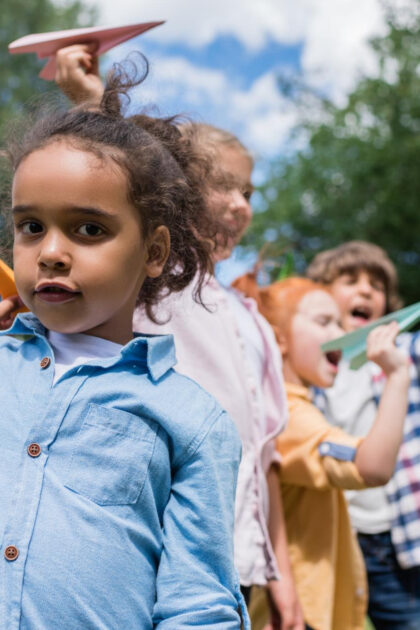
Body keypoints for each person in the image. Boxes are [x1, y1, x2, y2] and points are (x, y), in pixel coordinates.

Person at [50, 44, 305, 630]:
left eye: (250, 192)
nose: (240, 205)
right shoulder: (158, 282)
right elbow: (119, 184)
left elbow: (263, 458)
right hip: (151, 546)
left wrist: (279, 573)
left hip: (234, 558)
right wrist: (93, 104)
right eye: (225, 186)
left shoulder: (249, 316)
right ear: (181, 192)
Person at [0, 66, 249, 629]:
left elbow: (198, 603)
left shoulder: (194, 420)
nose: (51, 253)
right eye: (30, 227)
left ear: (155, 251)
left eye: (89, 230)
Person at [233, 275, 410, 630]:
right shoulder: (289, 418)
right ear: (279, 339)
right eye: (324, 322)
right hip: (301, 617)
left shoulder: (294, 409)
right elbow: (371, 468)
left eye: (340, 323)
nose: (340, 335)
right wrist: (398, 374)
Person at [307, 241, 420, 630]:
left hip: (399, 540)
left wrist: (396, 368)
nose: (366, 290)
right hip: (336, 540)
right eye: (351, 280)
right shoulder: (307, 368)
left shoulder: (404, 353)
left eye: (376, 285)